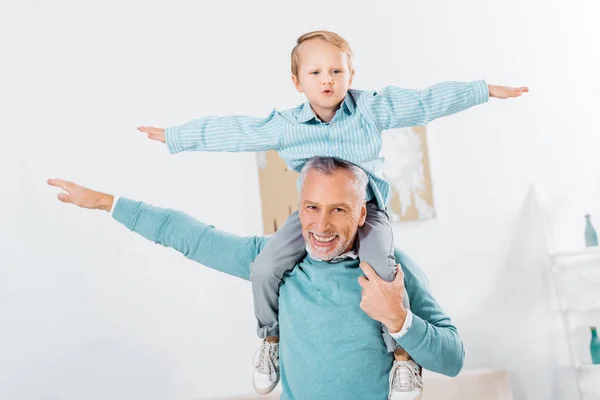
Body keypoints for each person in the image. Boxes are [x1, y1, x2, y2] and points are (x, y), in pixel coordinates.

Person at [136, 30, 528, 397]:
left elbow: (424, 102)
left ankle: (403, 359)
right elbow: (236, 131)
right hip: (312, 222)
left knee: (383, 270)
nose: (327, 80)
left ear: (351, 74)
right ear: (297, 81)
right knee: (264, 265)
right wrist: (176, 136)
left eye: (337, 71)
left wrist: (484, 90)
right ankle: (270, 340)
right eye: (316, 72)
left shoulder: (370, 108)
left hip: (370, 211)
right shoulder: (286, 127)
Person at [49, 156, 464, 400]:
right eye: (310, 207)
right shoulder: (274, 262)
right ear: (297, 207)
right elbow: (190, 236)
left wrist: (399, 321)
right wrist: (108, 203)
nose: (320, 225)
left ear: (362, 214)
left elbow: (454, 358)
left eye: (338, 209)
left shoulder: (393, 270)